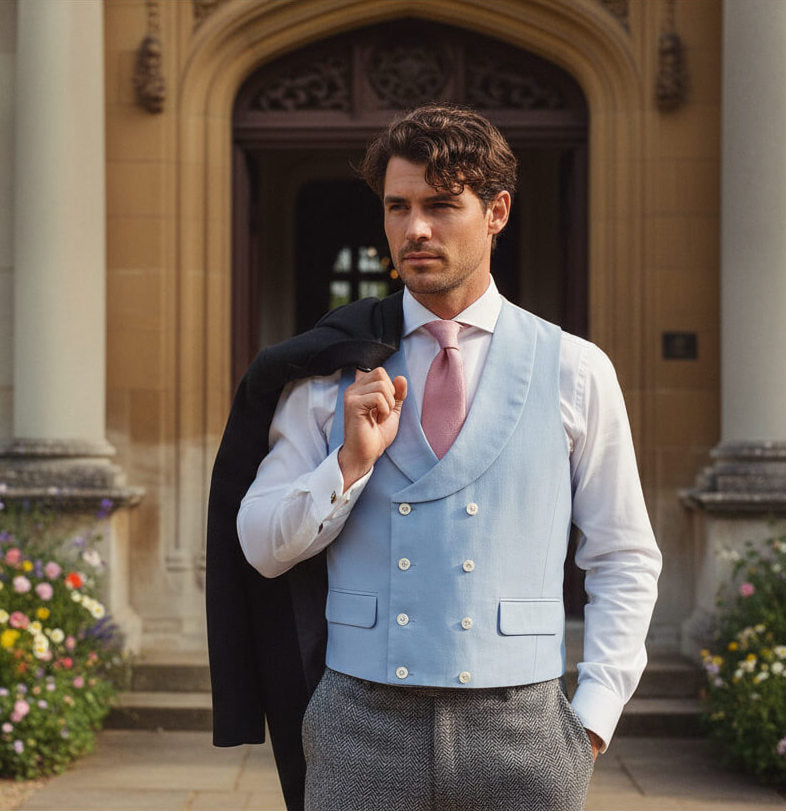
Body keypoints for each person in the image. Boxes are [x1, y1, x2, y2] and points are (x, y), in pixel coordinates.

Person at [209, 104, 661, 811]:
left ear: (497, 212)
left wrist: (592, 718)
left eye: (442, 205)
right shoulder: (333, 371)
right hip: (358, 727)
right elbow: (259, 545)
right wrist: (348, 466)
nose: (415, 229)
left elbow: (624, 554)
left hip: (527, 729)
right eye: (398, 207)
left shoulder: (575, 368)